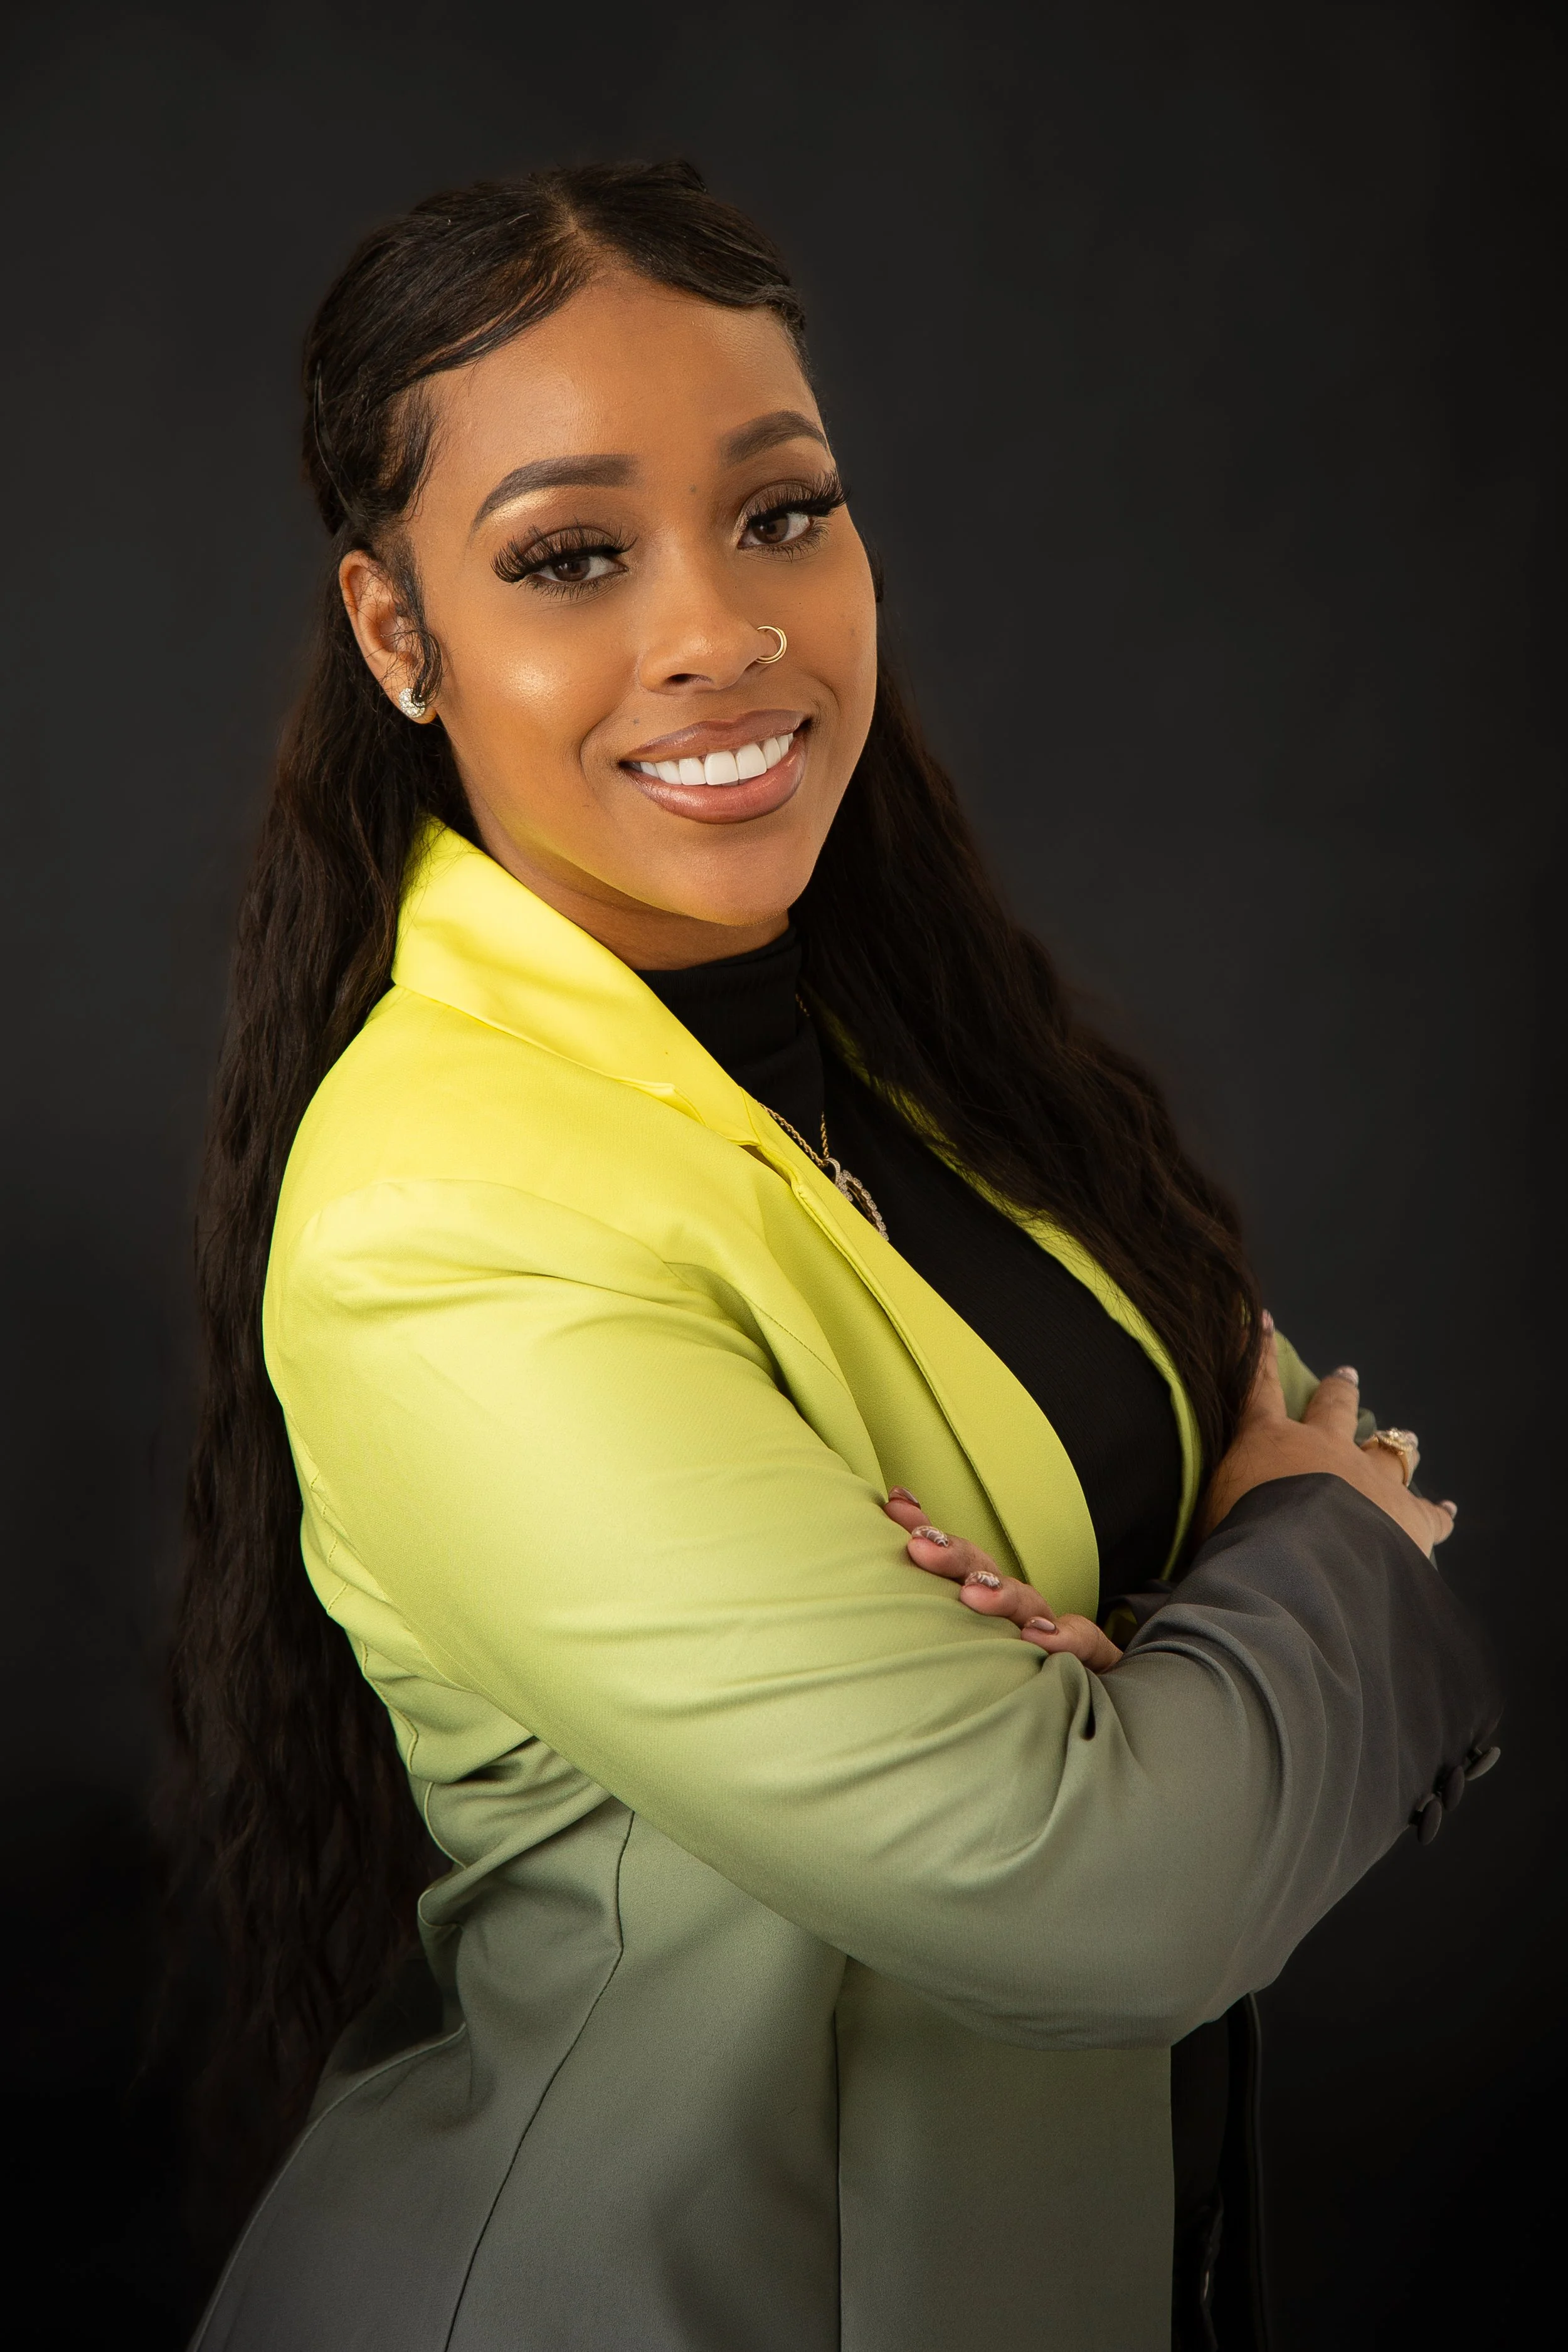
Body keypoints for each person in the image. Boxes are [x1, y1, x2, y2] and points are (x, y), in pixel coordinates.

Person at [172, 161, 1500, 2352]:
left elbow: (1192, 1568)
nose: (722, 629)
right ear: (398, 634)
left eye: (781, 512)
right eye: (572, 556)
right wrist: (1302, 1553)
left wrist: (1139, 1674)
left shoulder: (905, 1041)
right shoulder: (446, 1218)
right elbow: (1103, 1889)